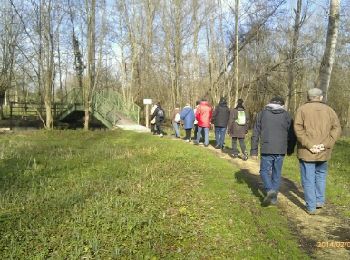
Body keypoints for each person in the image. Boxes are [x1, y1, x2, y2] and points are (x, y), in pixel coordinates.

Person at [294, 88, 341, 215]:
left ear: (308, 97)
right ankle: (319, 201)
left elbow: (297, 129)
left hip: (307, 151)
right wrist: (325, 145)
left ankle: (311, 207)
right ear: (320, 97)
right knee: (320, 176)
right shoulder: (330, 110)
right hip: (323, 152)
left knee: (308, 179)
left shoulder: (301, 109)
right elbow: (336, 129)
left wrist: (310, 145)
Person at [250, 97, 295, 206]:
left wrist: (254, 151)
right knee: (277, 173)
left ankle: (270, 190)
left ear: (269, 103)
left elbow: (255, 133)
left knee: (264, 171)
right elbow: (292, 134)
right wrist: (290, 149)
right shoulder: (287, 115)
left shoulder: (262, 114)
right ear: (282, 105)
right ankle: (273, 198)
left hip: (267, 147)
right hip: (281, 149)